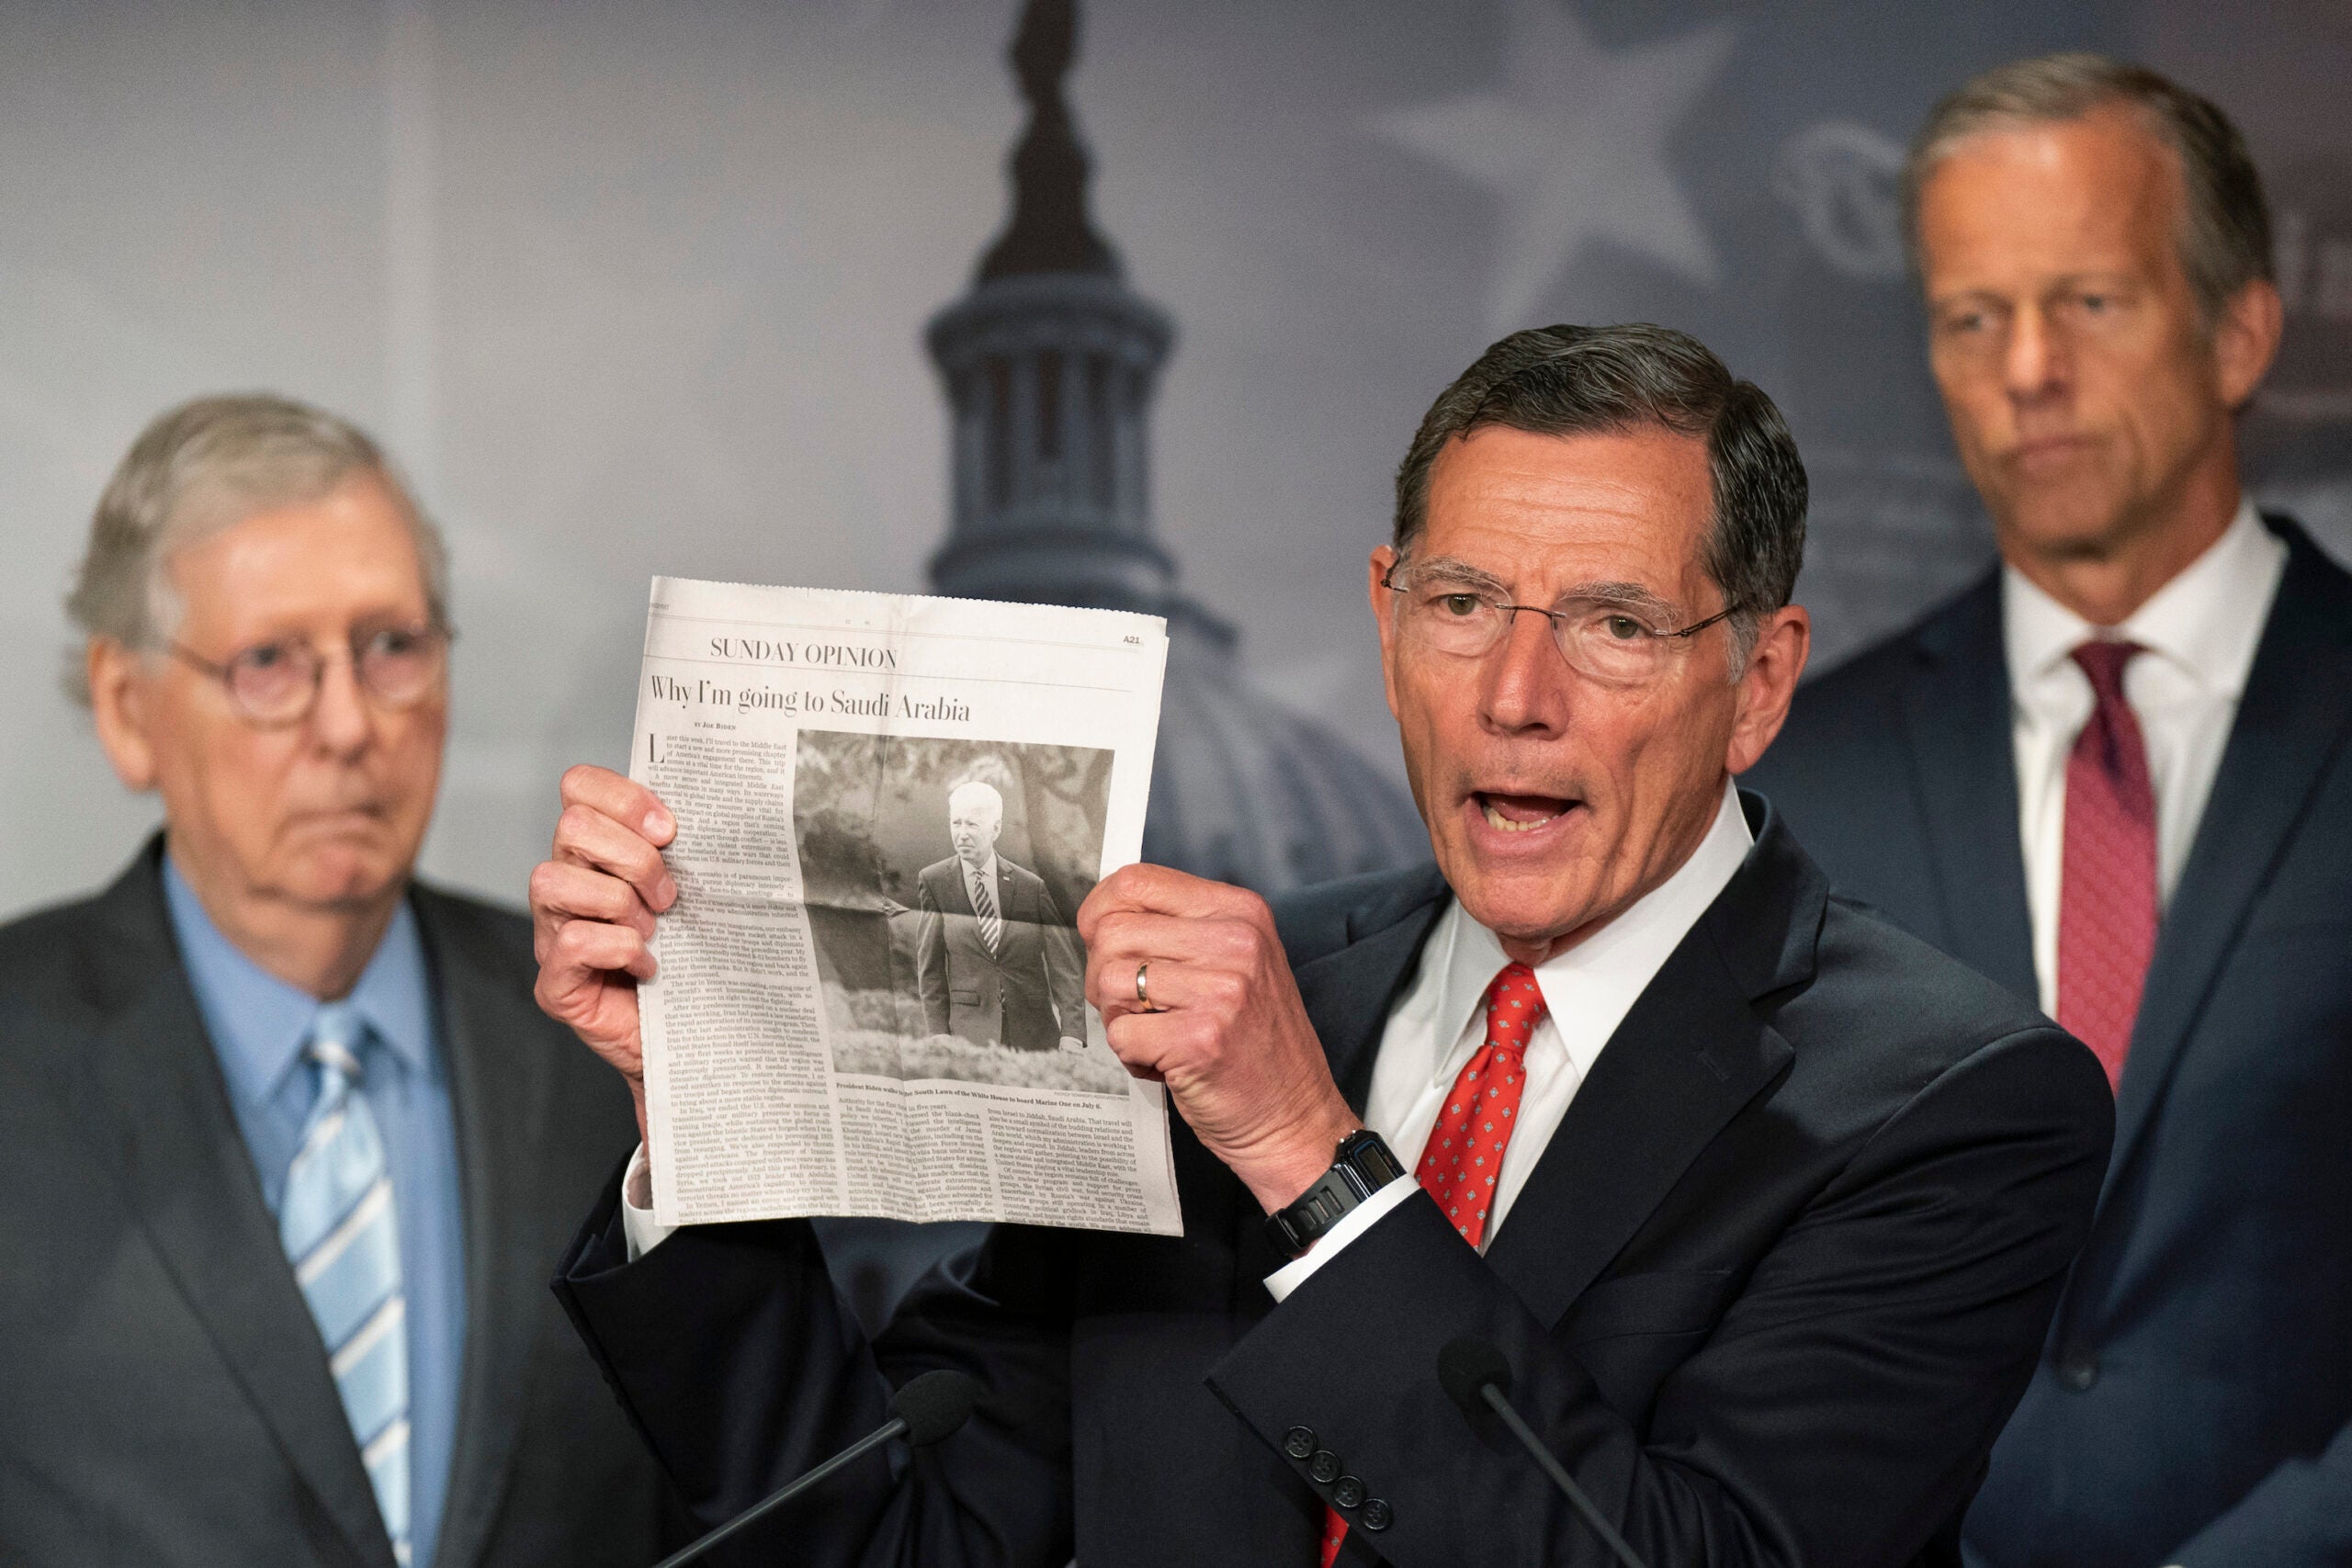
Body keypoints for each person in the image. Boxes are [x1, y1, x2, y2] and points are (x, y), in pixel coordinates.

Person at [529, 324, 2113, 1566]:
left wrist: (1310, 1156)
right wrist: (704, 1102)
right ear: (1384, 614)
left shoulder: (1956, 1106)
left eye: (1615, 624)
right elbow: (898, 1532)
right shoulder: (1204, 1002)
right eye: (1463, 601)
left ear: (1760, 683)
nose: (1515, 694)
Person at [1746, 54, 2352, 1568]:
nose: (2026, 369)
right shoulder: (1801, 773)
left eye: (2088, 301)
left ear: (2240, 330)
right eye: (1971, 316)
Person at [0, 396, 674, 1567]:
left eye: (392, 648)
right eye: (269, 663)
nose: (352, 724)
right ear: (126, 708)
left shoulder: (612, 1038)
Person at [912, 779, 1085, 1052]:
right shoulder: (935, 881)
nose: (962, 834)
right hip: (968, 1035)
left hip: (1035, 1033)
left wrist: (1072, 1033)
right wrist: (938, 1032)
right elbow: (929, 968)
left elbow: (1063, 966)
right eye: (956, 823)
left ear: (996, 829)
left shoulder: (1031, 887)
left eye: (972, 825)